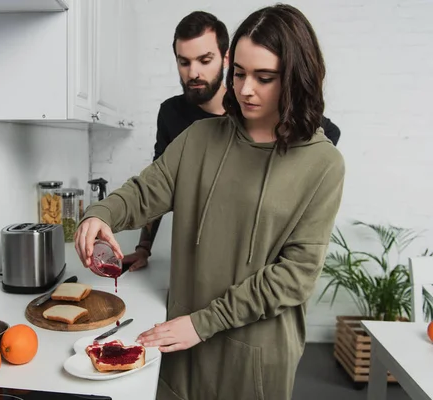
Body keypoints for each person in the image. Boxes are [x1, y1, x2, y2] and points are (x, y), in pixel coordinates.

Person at [75, 4, 345, 399]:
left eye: (264, 77)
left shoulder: (323, 163)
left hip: (255, 353)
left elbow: (296, 274)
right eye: (239, 74)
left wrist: (203, 323)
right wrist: (102, 213)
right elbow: (146, 190)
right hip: (181, 342)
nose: (245, 89)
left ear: (296, 77)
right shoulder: (199, 138)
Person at [123, 10, 342, 272]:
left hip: (253, 274)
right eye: (184, 62)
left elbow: (321, 139)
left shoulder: (277, 120)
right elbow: (157, 185)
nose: (193, 72)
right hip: (193, 268)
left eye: (204, 60)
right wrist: (143, 247)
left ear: (226, 57)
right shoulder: (176, 117)